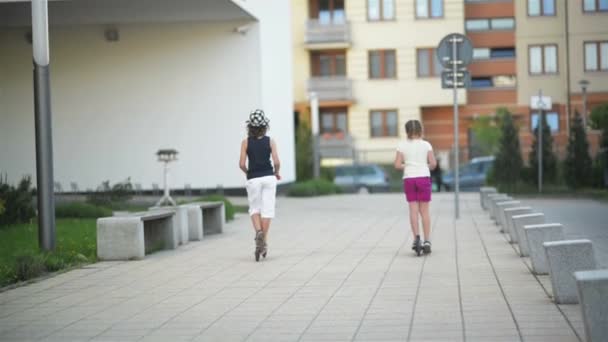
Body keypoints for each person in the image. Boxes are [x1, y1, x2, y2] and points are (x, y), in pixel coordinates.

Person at [239, 109, 281, 261]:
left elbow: (241, 164)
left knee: (254, 209)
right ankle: (263, 242)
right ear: (265, 126)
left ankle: (259, 234)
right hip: (269, 178)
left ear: (250, 127)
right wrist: (276, 172)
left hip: (253, 179)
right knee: (267, 210)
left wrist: (248, 172)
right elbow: (276, 161)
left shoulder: (245, 143)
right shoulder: (270, 141)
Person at [394, 120, 437, 255]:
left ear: (407, 131)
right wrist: (424, 166)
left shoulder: (402, 145)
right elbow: (433, 164)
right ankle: (427, 241)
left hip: (409, 179)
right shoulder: (426, 145)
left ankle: (416, 239)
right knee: (424, 211)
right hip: (423, 177)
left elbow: (397, 165)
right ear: (421, 130)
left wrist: (407, 166)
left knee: (413, 210)